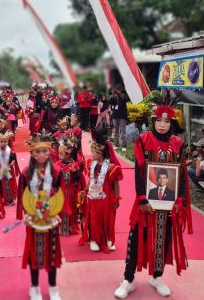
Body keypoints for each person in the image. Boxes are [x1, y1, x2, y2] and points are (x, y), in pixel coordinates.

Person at [114, 103, 191, 299]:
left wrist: (181, 198)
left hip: (168, 205)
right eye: (159, 120)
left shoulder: (178, 144)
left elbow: (181, 174)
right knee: (136, 239)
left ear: (171, 123)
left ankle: (157, 277)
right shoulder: (143, 140)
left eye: (167, 121)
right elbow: (140, 174)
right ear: (153, 121)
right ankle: (128, 280)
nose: (162, 125)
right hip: (146, 202)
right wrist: (141, 199)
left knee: (163, 241)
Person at [17, 131, 64, 300]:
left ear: (50, 151)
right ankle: (35, 287)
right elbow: (22, 196)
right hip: (33, 218)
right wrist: (26, 215)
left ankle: (53, 287)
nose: (42, 154)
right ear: (31, 153)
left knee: (52, 253)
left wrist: (58, 213)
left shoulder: (56, 172)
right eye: (38, 151)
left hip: (51, 218)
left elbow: (60, 193)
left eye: (45, 151)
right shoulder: (25, 173)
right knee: (34, 253)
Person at [82, 131, 123, 253]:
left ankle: (108, 239)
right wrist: (85, 191)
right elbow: (91, 179)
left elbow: (116, 184)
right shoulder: (91, 164)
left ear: (100, 153)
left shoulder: (111, 167)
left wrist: (116, 198)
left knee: (108, 217)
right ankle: (94, 240)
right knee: (94, 216)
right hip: (93, 196)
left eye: (93, 152)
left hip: (107, 196)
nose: (91, 154)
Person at [0, 131, 20, 207]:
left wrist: (12, 162)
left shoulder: (10, 150)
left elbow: (13, 158)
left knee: (8, 185)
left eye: (5, 141)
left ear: (8, 142)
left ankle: (10, 200)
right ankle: (1, 198)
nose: (3, 143)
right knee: (0, 185)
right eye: (1, 141)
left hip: (8, 170)